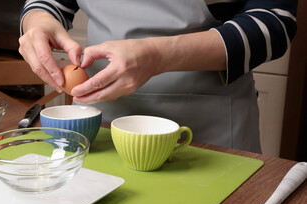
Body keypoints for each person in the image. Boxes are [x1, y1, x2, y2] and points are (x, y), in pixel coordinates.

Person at [18, 0, 298, 153]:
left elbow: (275, 23)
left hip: (209, 135)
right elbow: (48, 3)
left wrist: (157, 54)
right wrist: (38, 21)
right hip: (102, 130)